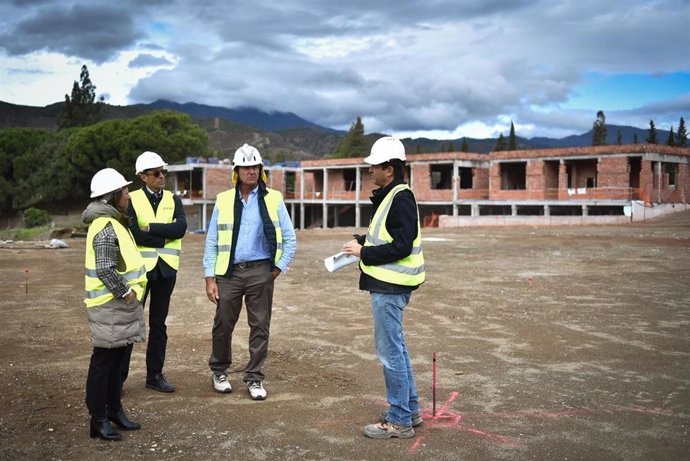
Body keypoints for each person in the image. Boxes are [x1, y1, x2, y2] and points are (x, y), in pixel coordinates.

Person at [341, 136, 425, 439]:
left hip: (391, 286)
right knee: (397, 350)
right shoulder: (392, 194)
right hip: (389, 284)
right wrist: (362, 242)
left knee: (391, 353)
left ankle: (400, 419)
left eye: (373, 167)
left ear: (389, 169)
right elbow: (387, 236)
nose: (370, 172)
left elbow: (401, 246)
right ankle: (410, 411)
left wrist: (365, 253)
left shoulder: (400, 197)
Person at [203, 143, 296, 400]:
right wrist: (210, 277)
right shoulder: (223, 200)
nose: (251, 171)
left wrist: (275, 270)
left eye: (255, 166)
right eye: (245, 167)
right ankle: (219, 371)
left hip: (260, 271)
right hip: (228, 274)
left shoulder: (274, 198)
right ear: (236, 171)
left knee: (260, 327)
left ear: (261, 169)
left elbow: (290, 239)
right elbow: (212, 241)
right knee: (222, 325)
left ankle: (254, 377)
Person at [82, 168, 147, 441]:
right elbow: (106, 269)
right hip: (111, 305)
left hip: (118, 307)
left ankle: (113, 411)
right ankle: (98, 419)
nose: (128, 195)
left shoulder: (114, 222)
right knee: (104, 362)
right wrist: (127, 293)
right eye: (124, 191)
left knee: (117, 360)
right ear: (111, 197)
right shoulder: (106, 227)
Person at [120, 151, 187, 393]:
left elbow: (181, 228)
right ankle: (119, 379)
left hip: (166, 270)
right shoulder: (132, 199)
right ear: (143, 177)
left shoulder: (173, 199)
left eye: (164, 172)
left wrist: (152, 229)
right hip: (140, 271)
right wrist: (164, 237)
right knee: (130, 324)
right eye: (156, 173)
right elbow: (135, 234)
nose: (162, 176)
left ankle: (154, 375)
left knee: (159, 324)